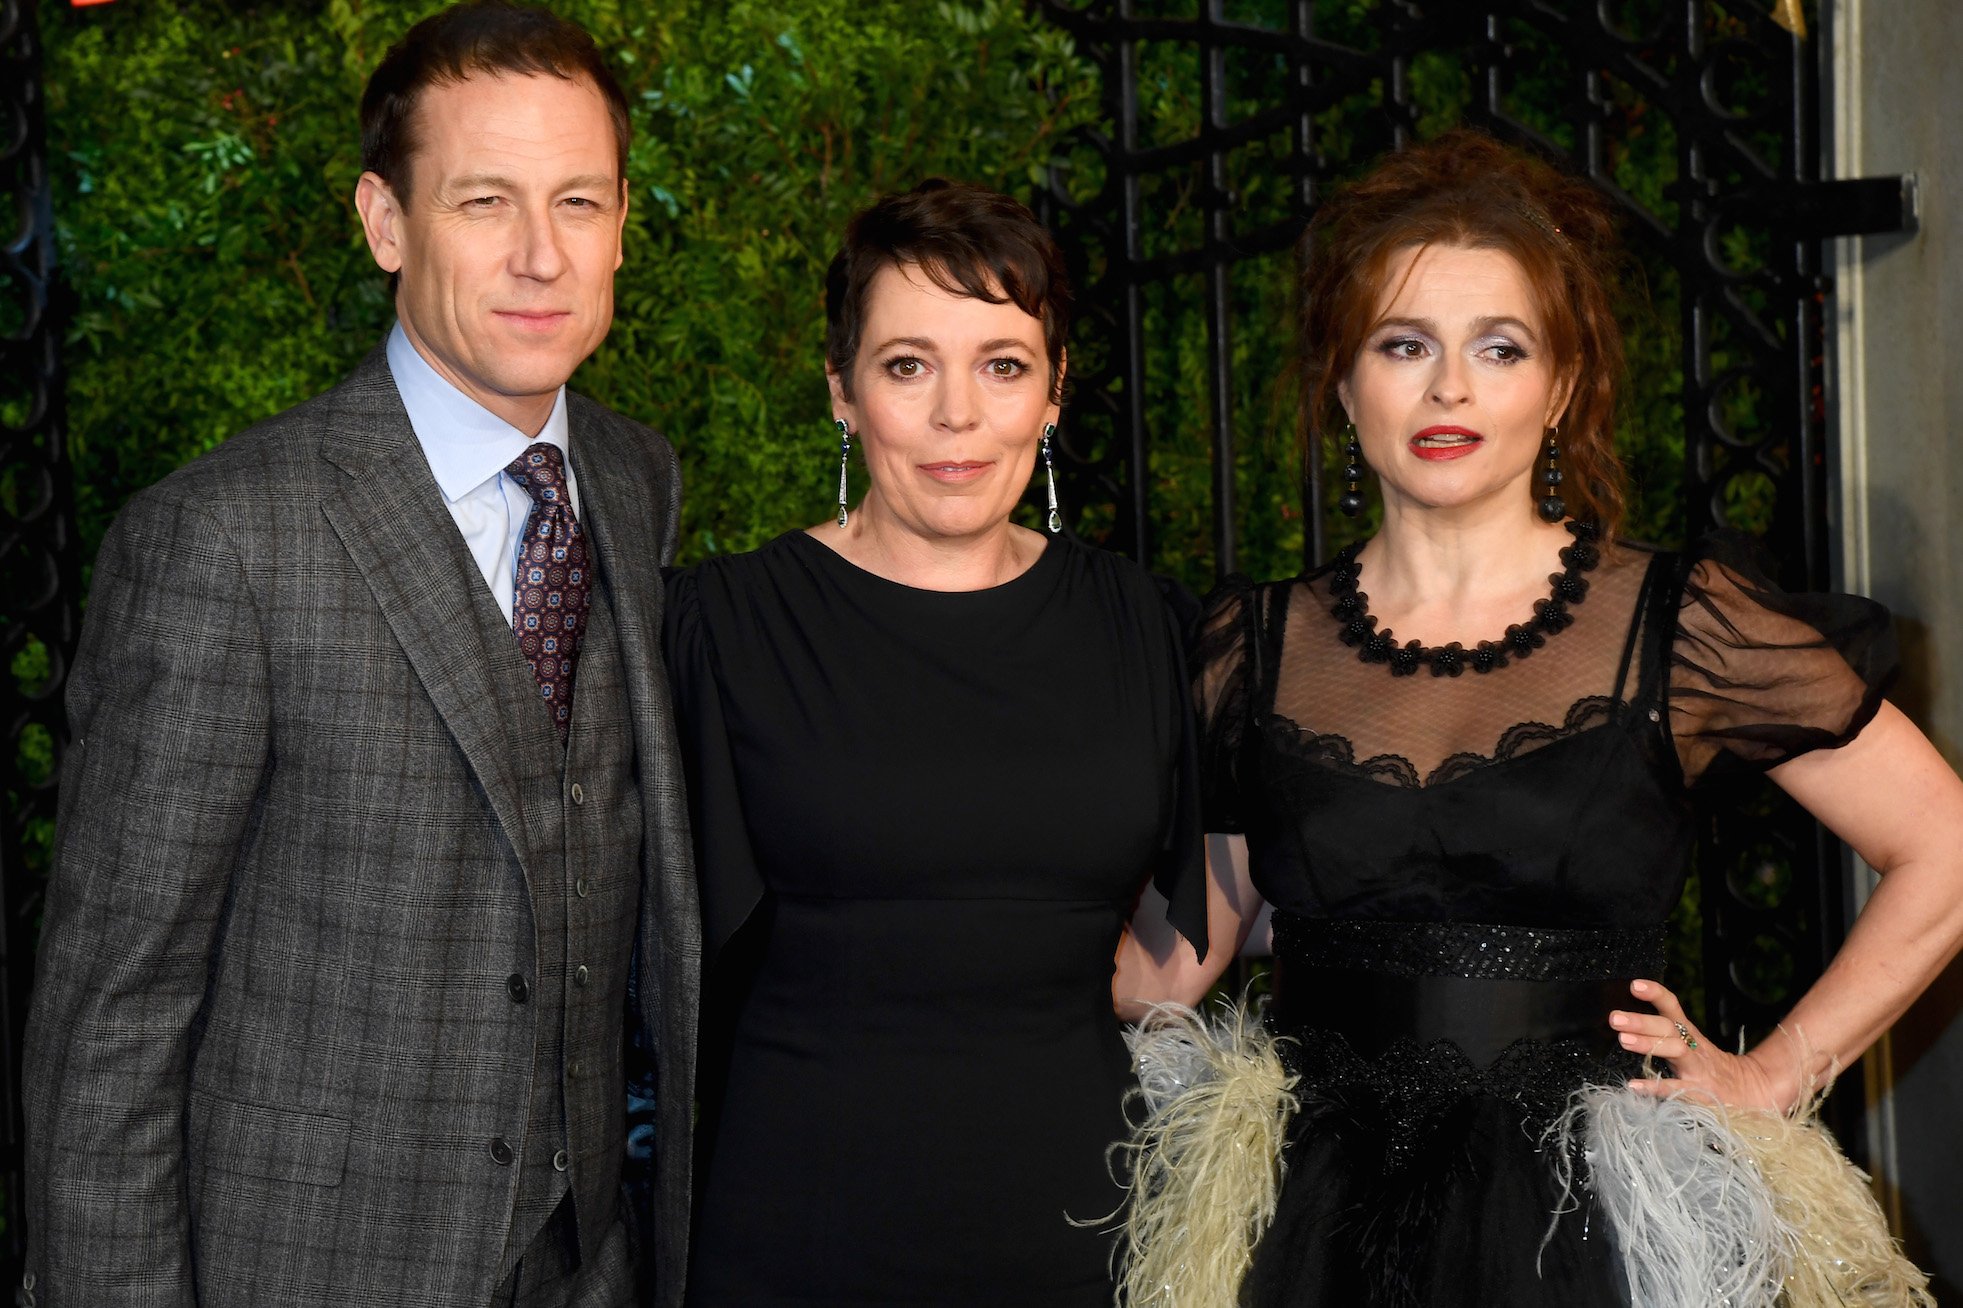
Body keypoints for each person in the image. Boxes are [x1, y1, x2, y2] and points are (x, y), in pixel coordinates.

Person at [1112, 130, 1963, 1306]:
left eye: (1496, 348)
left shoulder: (1683, 625)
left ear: (1560, 387)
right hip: (1311, 1233)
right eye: (1402, 346)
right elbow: (1163, 967)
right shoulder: (1247, 649)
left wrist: (1772, 1077)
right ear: (1341, 378)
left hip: (1599, 1229)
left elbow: (1946, 848)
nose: (1447, 388)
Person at [20, 5, 699, 1306]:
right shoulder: (217, 539)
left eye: (580, 201)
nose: (541, 255)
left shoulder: (633, 479)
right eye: (484, 201)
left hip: (593, 1262)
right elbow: (111, 1023)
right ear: (386, 224)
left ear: (621, 223)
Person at [663, 179, 1207, 1307]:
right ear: (842, 396)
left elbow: (1189, 944)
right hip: (801, 1224)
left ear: (1054, 394)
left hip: (1084, 1220)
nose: (958, 414)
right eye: (908, 365)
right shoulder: (720, 627)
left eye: (1002, 365)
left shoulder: (1147, 627)